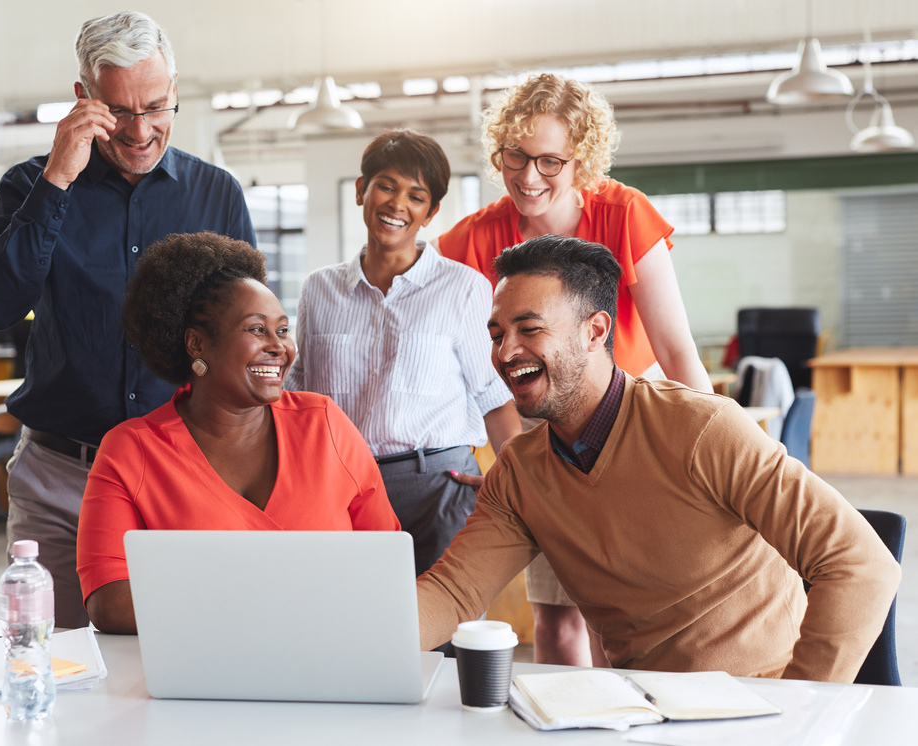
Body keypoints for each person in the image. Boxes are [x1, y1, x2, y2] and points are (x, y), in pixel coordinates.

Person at [417, 235, 900, 683]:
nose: (505, 352)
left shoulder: (703, 429)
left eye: (529, 329)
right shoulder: (519, 473)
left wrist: (801, 709)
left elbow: (861, 564)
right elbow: (453, 593)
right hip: (643, 712)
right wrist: (355, 636)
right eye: (497, 334)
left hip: (762, 703)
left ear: (596, 331)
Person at [0, 11, 256, 628]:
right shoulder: (28, 186)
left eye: (156, 106)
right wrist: (57, 180)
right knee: (58, 664)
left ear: (175, 88)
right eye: (118, 111)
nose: (140, 130)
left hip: (179, 473)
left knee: (184, 660)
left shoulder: (216, 195)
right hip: (58, 480)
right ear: (83, 99)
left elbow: (246, 337)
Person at [438, 73, 711, 665]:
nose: (528, 176)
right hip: (535, 430)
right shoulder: (471, 238)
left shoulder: (625, 215)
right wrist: (501, 456)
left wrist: (717, 448)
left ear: (582, 158)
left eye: (550, 161)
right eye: (515, 155)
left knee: (616, 619)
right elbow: (452, 356)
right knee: (555, 622)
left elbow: (677, 352)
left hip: (627, 421)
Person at [77, 233, 400, 634]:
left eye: (282, 330)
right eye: (256, 330)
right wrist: (290, 599)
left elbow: (386, 562)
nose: (278, 347)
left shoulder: (324, 424)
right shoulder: (131, 450)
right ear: (197, 344)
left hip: (328, 659)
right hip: (195, 679)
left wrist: (207, 596)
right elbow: (110, 601)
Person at [285, 129, 520, 588]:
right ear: (361, 191)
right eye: (387, 186)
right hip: (342, 488)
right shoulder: (320, 289)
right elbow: (298, 395)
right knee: (352, 628)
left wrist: (514, 485)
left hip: (438, 486)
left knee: (448, 635)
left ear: (430, 213)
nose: (397, 205)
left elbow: (493, 397)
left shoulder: (464, 288)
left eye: (416, 196)